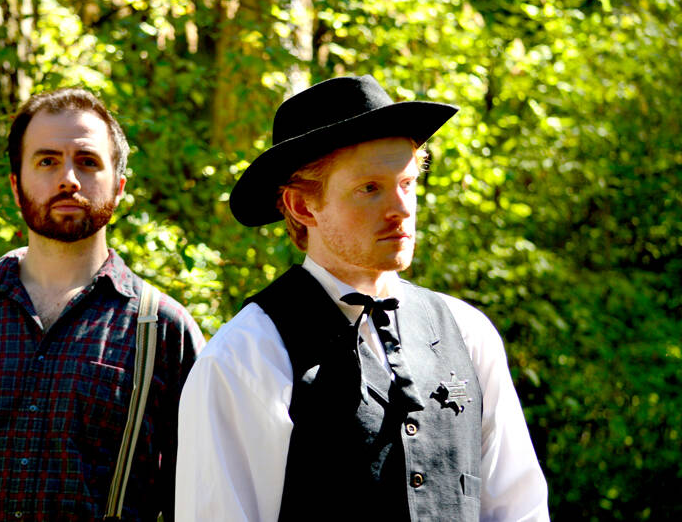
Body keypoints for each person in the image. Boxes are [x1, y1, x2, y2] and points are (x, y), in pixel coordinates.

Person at [176, 75, 549, 521]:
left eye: (408, 183)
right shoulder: (246, 356)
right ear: (302, 206)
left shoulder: (467, 334)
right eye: (369, 188)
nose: (402, 208)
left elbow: (519, 509)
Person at [0, 88, 205, 520]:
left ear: (119, 185)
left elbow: (199, 500)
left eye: (88, 162)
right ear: (17, 186)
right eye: (47, 160)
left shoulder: (164, 330)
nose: (69, 178)